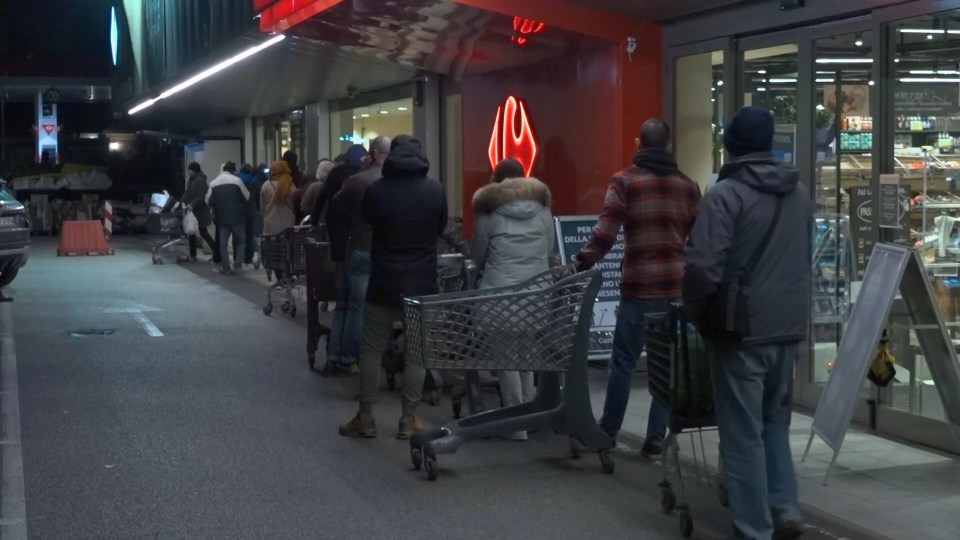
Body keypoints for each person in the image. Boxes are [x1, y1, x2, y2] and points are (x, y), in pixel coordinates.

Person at [682, 107, 811, 540]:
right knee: (775, 423)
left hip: (741, 330)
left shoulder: (725, 195)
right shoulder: (801, 193)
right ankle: (785, 509)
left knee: (742, 434)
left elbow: (703, 268)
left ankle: (753, 527)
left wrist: (696, 311)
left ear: (732, 145)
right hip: (788, 327)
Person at [573, 119, 701, 456]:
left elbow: (605, 233)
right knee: (666, 366)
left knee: (623, 364)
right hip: (675, 288)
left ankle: (609, 432)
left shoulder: (625, 181)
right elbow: (700, 239)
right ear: (669, 145)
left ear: (638, 143)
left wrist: (579, 263)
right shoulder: (688, 186)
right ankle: (655, 438)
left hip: (638, 287)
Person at [339, 135, 447, 439]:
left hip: (384, 280)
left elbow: (367, 225)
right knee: (416, 352)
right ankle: (408, 419)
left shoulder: (376, 190)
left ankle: (366, 417)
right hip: (422, 284)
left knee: (371, 349)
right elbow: (439, 229)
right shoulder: (435, 189)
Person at [471, 157, 554, 441]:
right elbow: (550, 249)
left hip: (500, 296)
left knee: (505, 357)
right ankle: (530, 414)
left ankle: (515, 422)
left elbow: (478, 256)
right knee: (527, 353)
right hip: (536, 296)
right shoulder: (543, 210)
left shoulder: (488, 212)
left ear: (497, 180)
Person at [322, 137, 391, 377]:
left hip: (356, 246)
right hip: (380, 249)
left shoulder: (356, 180)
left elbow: (336, 208)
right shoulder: (393, 181)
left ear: (371, 154)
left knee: (347, 305)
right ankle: (352, 356)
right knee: (362, 308)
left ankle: (336, 354)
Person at [206, 162, 250, 275]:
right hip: (238, 218)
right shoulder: (237, 181)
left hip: (222, 219)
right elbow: (247, 196)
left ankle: (226, 268)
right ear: (233, 170)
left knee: (223, 245)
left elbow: (208, 200)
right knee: (241, 241)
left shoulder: (214, 183)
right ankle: (238, 266)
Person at [182, 162, 219, 265]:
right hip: (193, 210)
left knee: (203, 232)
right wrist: (183, 202)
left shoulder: (201, 181)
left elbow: (201, 196)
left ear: (195, 170)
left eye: (190, 170)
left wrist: (192, 204)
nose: (189, 172)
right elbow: (188, 193)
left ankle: (216, 252)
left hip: (200, 211)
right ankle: (193, 254)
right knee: (192, 232)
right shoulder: (191, 180)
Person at [237, 163, 263, 267]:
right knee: (249, 234)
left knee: (238, 235)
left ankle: (238, 257)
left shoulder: (237, 180)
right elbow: (258, 196)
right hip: (251, 210)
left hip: (238, 210)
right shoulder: (254, 181)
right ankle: (248, 258)